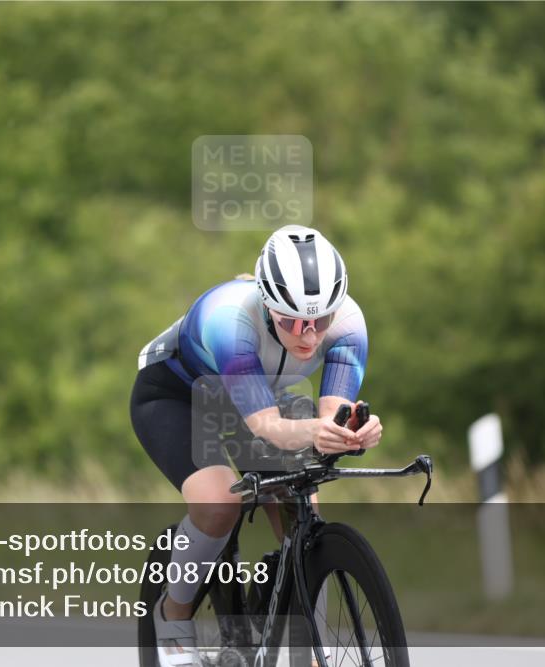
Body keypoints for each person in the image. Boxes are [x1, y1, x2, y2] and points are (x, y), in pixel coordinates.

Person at [130, 225, 382, 666]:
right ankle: (173, 615)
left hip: (258, 396)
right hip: (179, 397)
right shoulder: (230, 321)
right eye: (292, 322)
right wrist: (317, 433)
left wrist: (352, 431)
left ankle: (305, 640)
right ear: (267, 304)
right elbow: (265, 425)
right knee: (218, 503)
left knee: (302, 508)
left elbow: (331, 414)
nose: (308, 335)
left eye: (319, 321)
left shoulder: (348, 324)